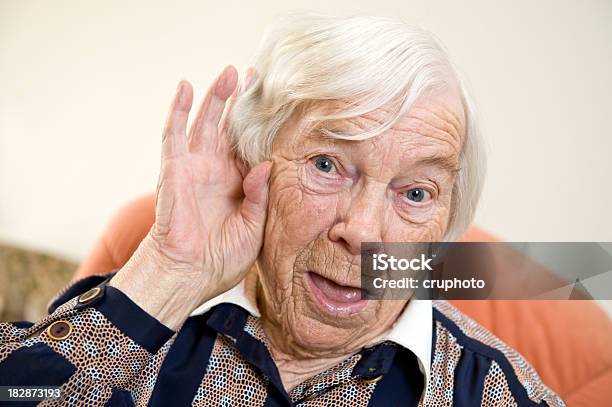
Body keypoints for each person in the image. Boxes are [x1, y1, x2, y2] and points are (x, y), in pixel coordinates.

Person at [0, 14, 564, 406]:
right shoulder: (132, 316)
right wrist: (169, 272)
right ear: (254, 163)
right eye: (327, 164)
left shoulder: (495, 392)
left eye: (415, 193)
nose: (363, 233)